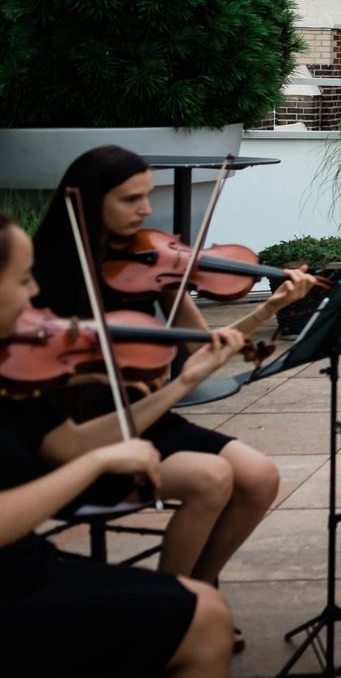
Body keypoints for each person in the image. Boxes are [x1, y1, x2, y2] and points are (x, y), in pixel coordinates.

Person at [31, 145, 318, 646]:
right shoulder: (45, 280)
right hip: (83, 430)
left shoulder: (148, 265)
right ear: (90, 202)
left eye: (146, 196)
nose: (146, 210)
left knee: (260, 477)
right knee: (211, 479)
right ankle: (171, 614)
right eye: (130, 199)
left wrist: (266, 310)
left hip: (150, 417)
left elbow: (201, 349)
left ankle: (197, 593)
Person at [0, 213, 237, 676]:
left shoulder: (11, 370)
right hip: (12, 585)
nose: (35, 295)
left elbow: (68, 444)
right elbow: (76, 461)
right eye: (23, 279)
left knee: (203, 605)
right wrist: (99, 463)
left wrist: (183, 382)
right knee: (205, 618)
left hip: (23, 563)